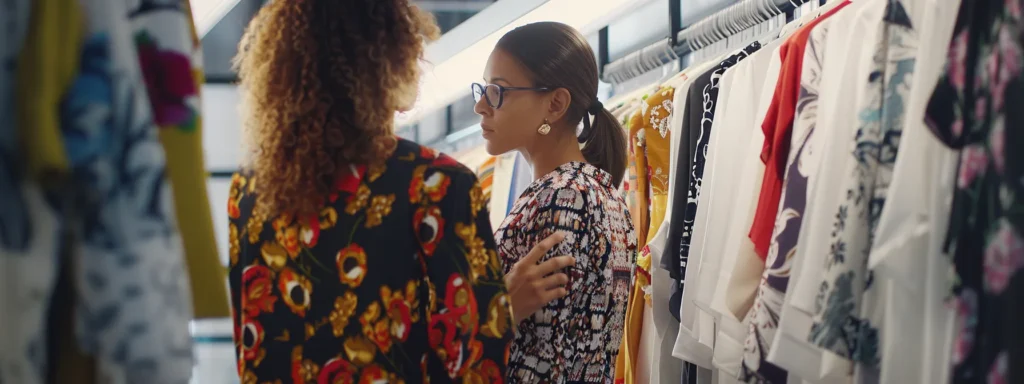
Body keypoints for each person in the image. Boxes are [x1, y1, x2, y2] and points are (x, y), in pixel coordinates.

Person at [226, 2, 574, 382]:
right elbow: (474, 361)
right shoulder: (435, 185)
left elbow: (251, 342)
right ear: (392, 59)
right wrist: (500, 312)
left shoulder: (249, 192)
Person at [473, 21, 637, 383]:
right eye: (483, 89)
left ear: (555, 103)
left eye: (497, 91)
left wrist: (501, 311)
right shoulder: (603, 193)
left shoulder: (561, 196)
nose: (481, 106)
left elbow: (548, 359)